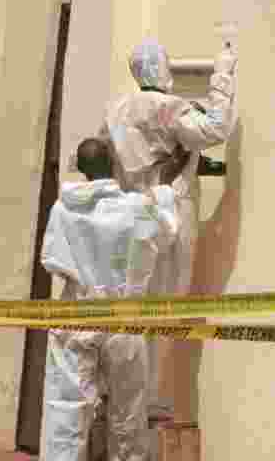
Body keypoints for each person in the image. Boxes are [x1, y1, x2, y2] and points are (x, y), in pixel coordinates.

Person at [99, 37, 238, 423]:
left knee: (129, 307)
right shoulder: (168, 108)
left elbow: (99, 156)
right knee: (166, 305)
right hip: (169, 215)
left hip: (127, 218)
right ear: (161, 68)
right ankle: (151, 399)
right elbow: (216, 127)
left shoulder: (115, 110)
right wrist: (223, 74)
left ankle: (122, 396)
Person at [40, 137, 190, 461]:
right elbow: (166, 227)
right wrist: (168, 177)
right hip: (122, 321)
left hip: (76, 315)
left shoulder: (62, 209)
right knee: (127, 417)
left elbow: (52, 259)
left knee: (66, 413)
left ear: (82, 170)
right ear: (113, 164)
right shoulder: (133, 208)